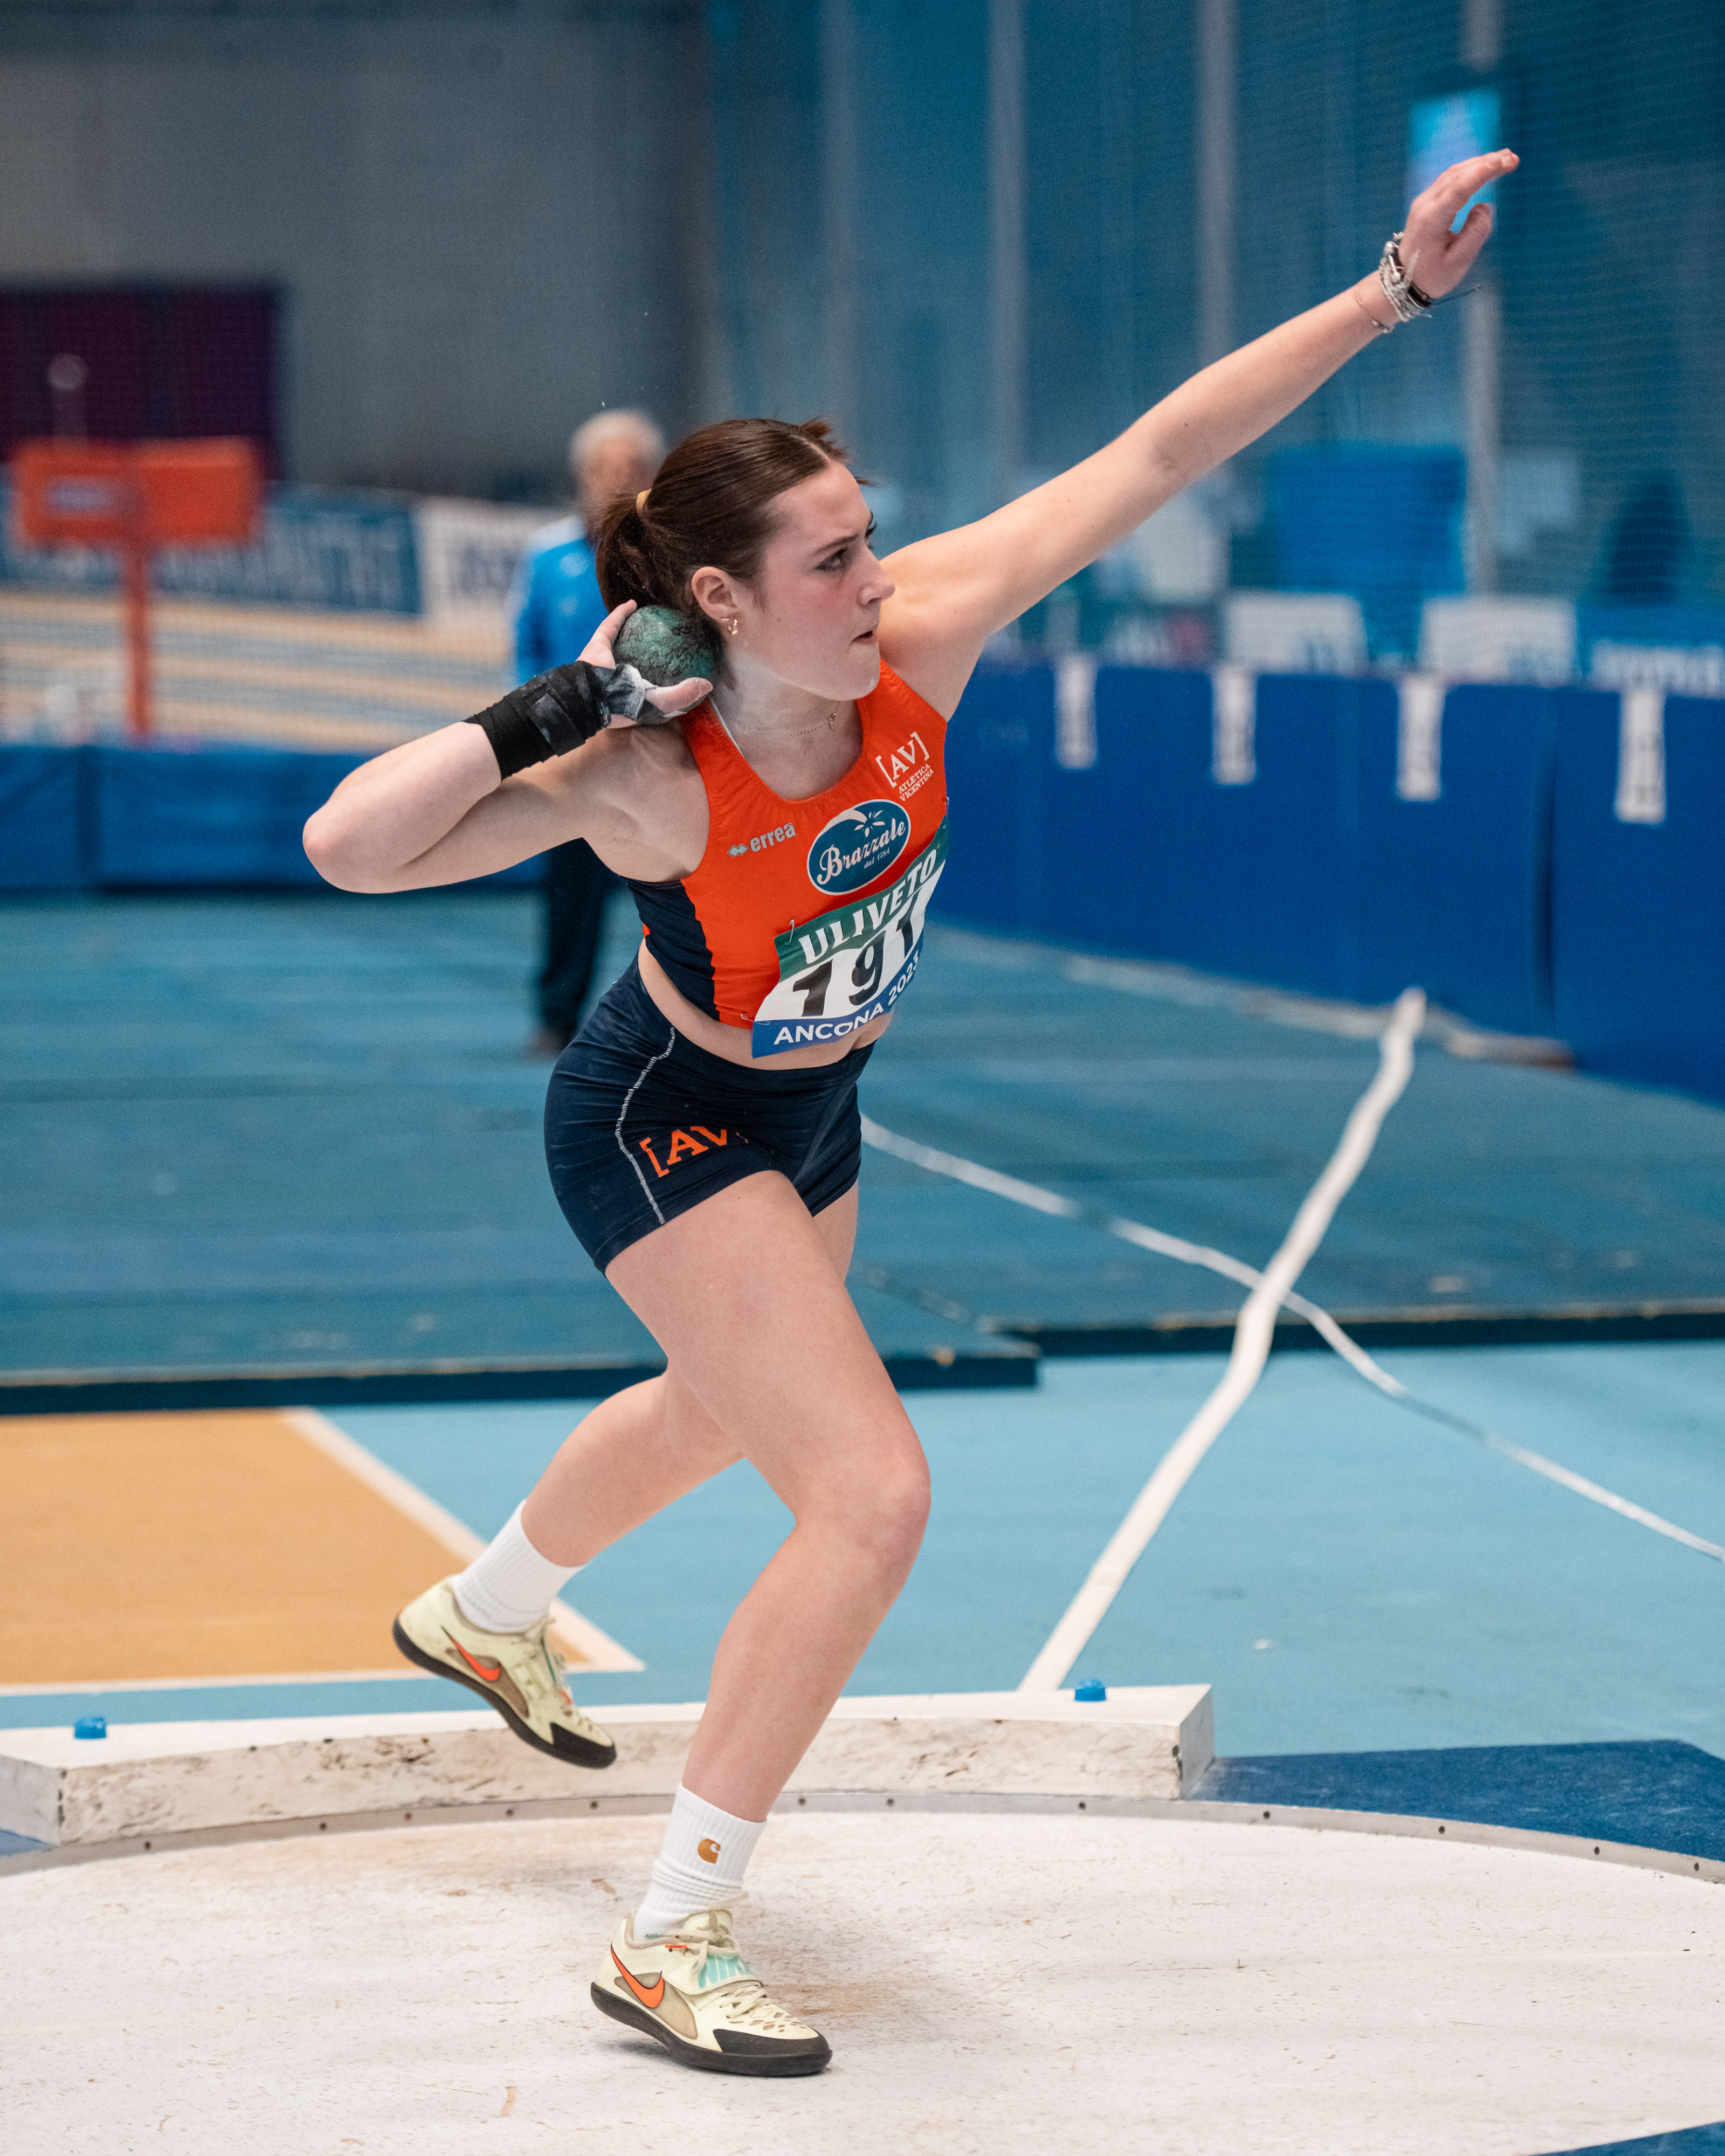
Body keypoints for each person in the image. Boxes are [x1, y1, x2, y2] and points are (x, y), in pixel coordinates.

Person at [303, 149, 1513, 2079]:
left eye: (869, 539)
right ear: (714, 600)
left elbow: (1156, 451)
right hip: (663, 1116)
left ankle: (486, 1606)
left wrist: (1390, 291)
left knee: (721, 1411)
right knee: (866, 1494)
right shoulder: (649, 779)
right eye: (831, 561)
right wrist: (548, 710)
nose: (877, 577)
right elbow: (349, 847)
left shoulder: (921, 635)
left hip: (816, 1111)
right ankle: (673, 1929)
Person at [512, 409, 666, 1055]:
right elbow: (526, 648)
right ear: (581, 475)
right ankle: (556, 1016)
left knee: (675, 892)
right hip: (574, 751)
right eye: (603, 467)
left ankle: (684, 1024)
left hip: (662, 750)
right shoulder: (546, 556)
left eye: (631, 467)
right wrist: (544, 729)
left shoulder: (676, 555)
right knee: (569, 891)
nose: (616, 478)